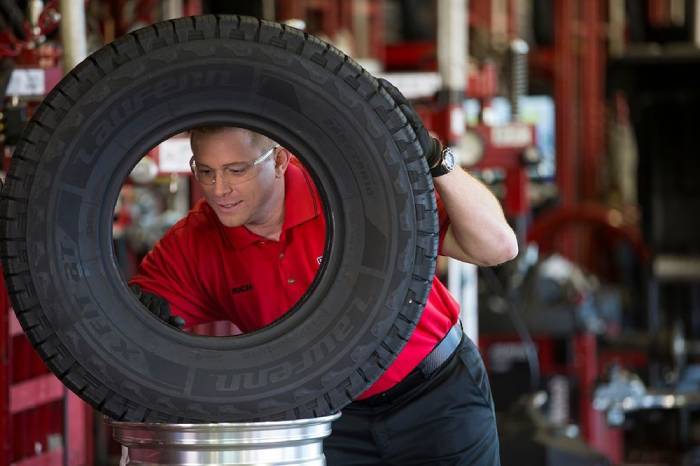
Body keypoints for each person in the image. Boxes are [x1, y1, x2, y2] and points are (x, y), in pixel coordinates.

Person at [130, 82, 518, 466]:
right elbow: (122, 322)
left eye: (236, 170)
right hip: (328, 422)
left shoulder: (353, 193)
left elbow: (497, 247)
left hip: (436, 399)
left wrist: (433, 158)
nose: (219, 189)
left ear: (279, 161)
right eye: (206, 171)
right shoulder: (194, 242)